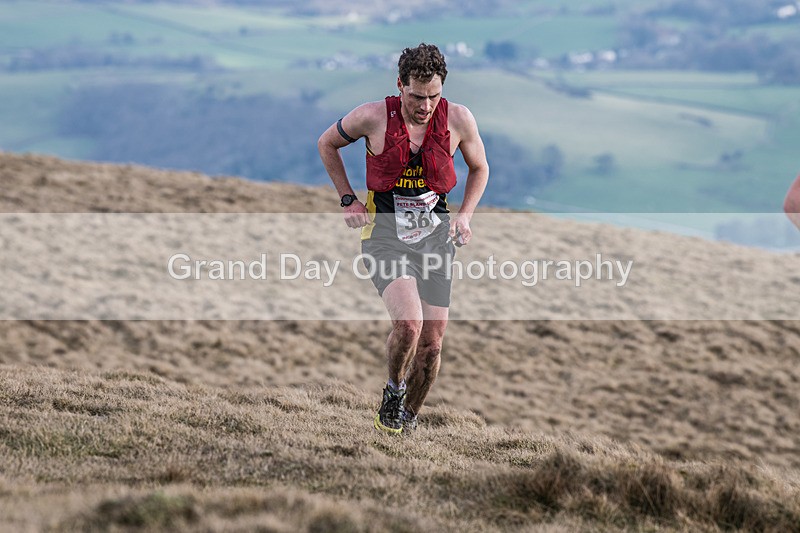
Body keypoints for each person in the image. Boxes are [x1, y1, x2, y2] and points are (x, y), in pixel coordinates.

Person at [317, 43, 489, 434]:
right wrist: (348, 199)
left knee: (432, 342)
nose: (425, 106)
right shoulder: (372, 116)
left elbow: (480, 168)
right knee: (409, 325)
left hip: (435, 241)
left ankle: (405, 420)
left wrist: (465, 216)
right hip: (384, 237)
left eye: (433, 97)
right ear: (400, 85)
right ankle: (393, 391)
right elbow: (326, 143)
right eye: (416, 96)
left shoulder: (459, 120)